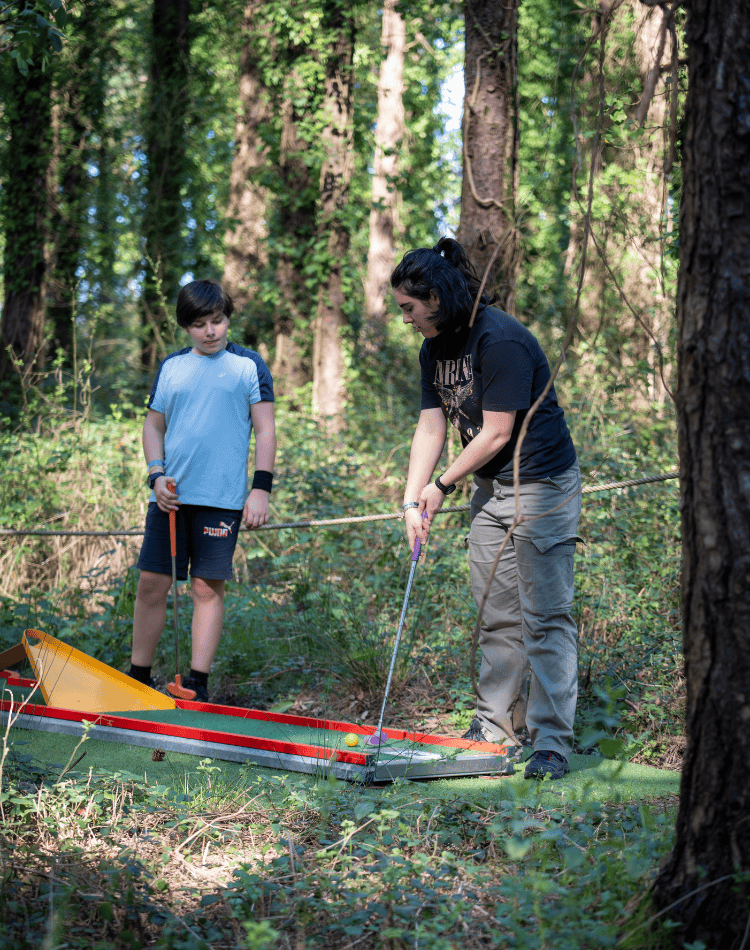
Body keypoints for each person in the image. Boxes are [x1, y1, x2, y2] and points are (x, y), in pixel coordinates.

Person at [392, 238, 581, 780]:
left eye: (409, 307)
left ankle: (551, 743)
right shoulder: (432, 348)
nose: (405, 318)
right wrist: (412, 497)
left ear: (438, 296)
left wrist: (442, 486)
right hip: (490, 493)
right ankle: (494, 729)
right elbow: (431, 423)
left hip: (541, 487)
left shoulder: (499, 339)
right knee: (497, 615)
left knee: (545, 617)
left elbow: (497, 432)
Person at [128, 278, 276, 702]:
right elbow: (153, 426)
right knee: (152, 584)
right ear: (185, 326)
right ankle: (138, 676)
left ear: (228, 318)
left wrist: (260, 490)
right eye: (200, 324)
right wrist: (156, 475)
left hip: (222, 501)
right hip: (170, 497)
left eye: (218, 321)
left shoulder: (249, 365)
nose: (211, 331)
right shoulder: (173, 367)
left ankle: (198, 683)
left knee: (206, 588)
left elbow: (265, 431)